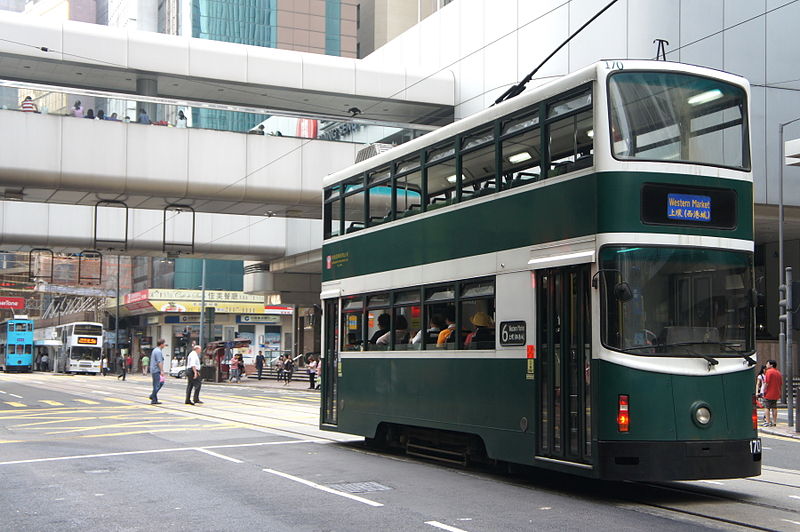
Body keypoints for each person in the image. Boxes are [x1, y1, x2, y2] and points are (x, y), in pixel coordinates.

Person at [762, 359, 783, 427]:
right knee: (774, 407)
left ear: (771, 365)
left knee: (766, 407)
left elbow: (766, 383)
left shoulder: (769, 372)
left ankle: (767, 422)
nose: (766, 365)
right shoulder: (778, 372)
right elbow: (781, 383)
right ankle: (774, 422)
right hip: (776, 392)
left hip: (769, 393)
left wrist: (763, 391)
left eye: (767, 364)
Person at [149, 339, 166, 404]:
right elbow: (159, 362)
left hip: (154, 370)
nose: (164, 345)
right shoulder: (158, 351)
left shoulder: (155, 350)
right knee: (159, 384)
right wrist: (162, 370)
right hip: (156, 370)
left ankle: (154, 400)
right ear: (161, 344)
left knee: (155, 385)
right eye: (164, 344)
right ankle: (152, 395)